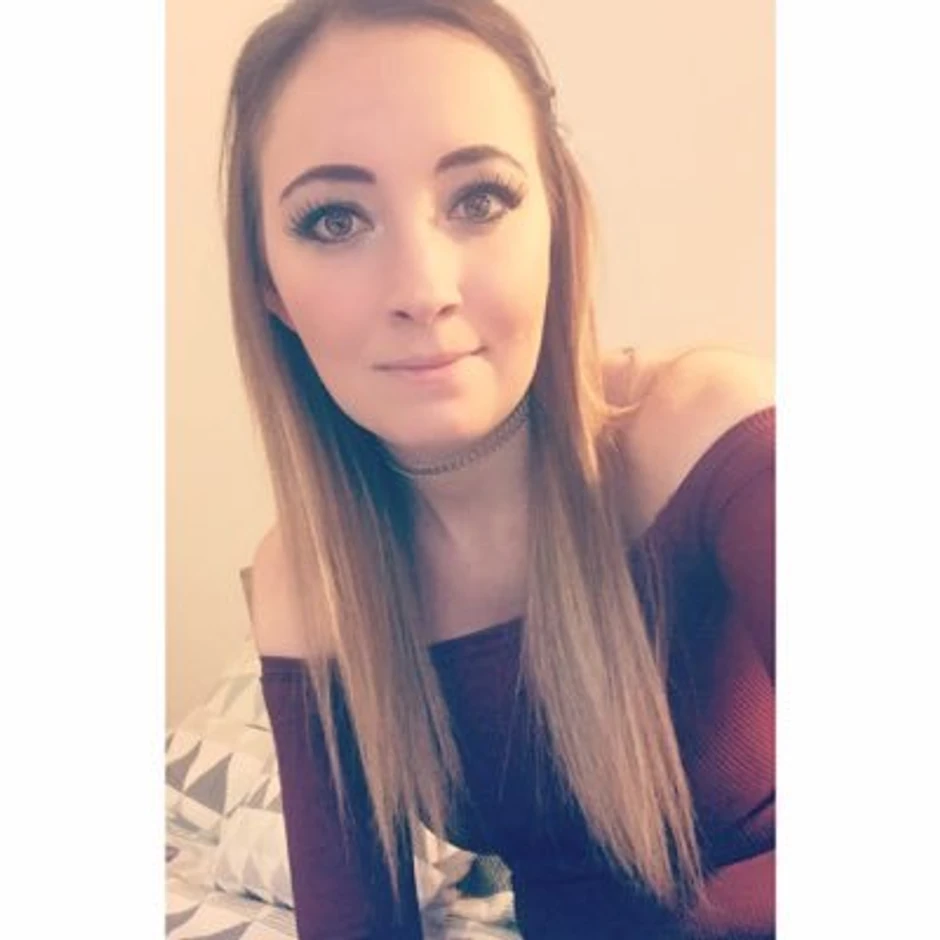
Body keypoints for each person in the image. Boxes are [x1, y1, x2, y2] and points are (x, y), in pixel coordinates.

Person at [221, 0, 775, 936]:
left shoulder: (710, 434)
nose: (423, 290)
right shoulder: (308, 581)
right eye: (334, 219)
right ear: (269, 283)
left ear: (555, 220)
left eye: (479, 199)